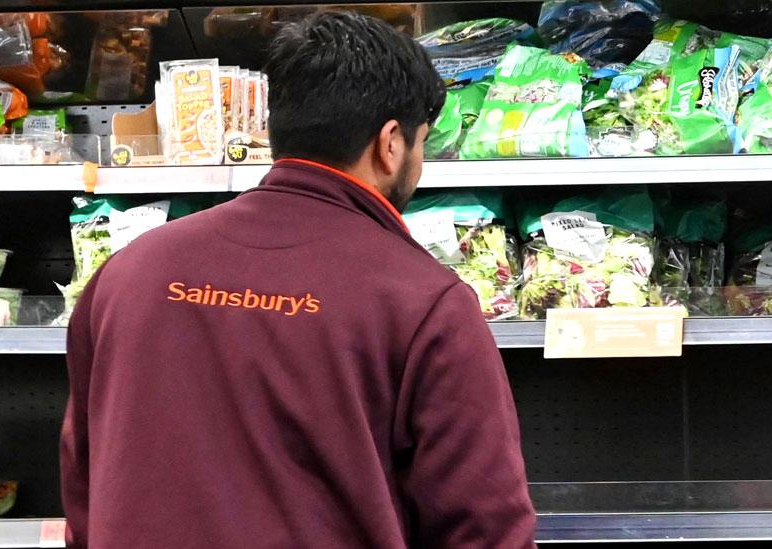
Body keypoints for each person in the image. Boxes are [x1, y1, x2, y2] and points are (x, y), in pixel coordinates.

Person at [61, 10, 536, 548]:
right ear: (390, 142)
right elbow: (484, 528)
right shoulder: (424, 300)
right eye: (421, 141)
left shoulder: (129, 271)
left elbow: (83, 481)